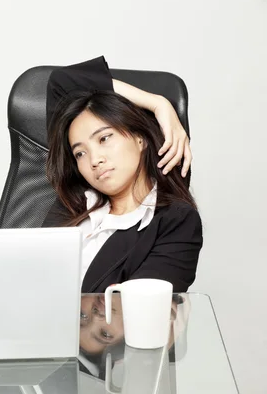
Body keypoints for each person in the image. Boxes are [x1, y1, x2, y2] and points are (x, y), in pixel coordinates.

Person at [43, 56, 203, 293]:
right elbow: (61, 82)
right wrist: (157, 102)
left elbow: (136, 313)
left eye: (104, 138)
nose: (94, 160)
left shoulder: (175, 222)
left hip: (90, 330)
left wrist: (160, 107)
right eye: (80, 153)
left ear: (140, 138)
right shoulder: (74, 202)